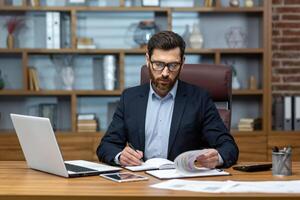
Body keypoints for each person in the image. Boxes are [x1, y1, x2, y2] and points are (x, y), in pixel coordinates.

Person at [97, 31, 239, 168]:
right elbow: (106, 146)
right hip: (141, 180)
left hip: (183, 182)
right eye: (158, 64)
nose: (165, 73)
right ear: (147, 60)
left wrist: (217, 157)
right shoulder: (130, 98)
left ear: (182, 63)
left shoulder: (199, 99)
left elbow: (228, 147)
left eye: (173, 65)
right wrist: (121, 155)